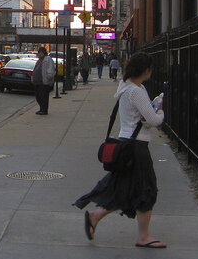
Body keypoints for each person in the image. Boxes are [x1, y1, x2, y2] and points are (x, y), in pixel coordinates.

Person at [73, 51, 166, 248]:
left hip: (125, 143)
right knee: (146, 190)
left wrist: (146, 116)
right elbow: (153, 120)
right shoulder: (137, 91)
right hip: (136, 147)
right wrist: (161, 112)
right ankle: (144, 236)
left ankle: (95, 217)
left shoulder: (126, 87)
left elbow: (138, 117)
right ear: (146, 70)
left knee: (122, 187)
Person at [30, 46, 56, 115]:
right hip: (37, 82)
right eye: (39, 53)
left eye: (41, 53)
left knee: (43, 97)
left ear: (44, 53)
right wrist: (33, 78)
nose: (40, 54)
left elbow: (51, 68)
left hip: (43, 82)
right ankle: (41, 108)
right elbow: (35, 69)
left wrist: (49, 76)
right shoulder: (38, 60)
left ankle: (44, 110)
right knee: (38, 96)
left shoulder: (48, 59)